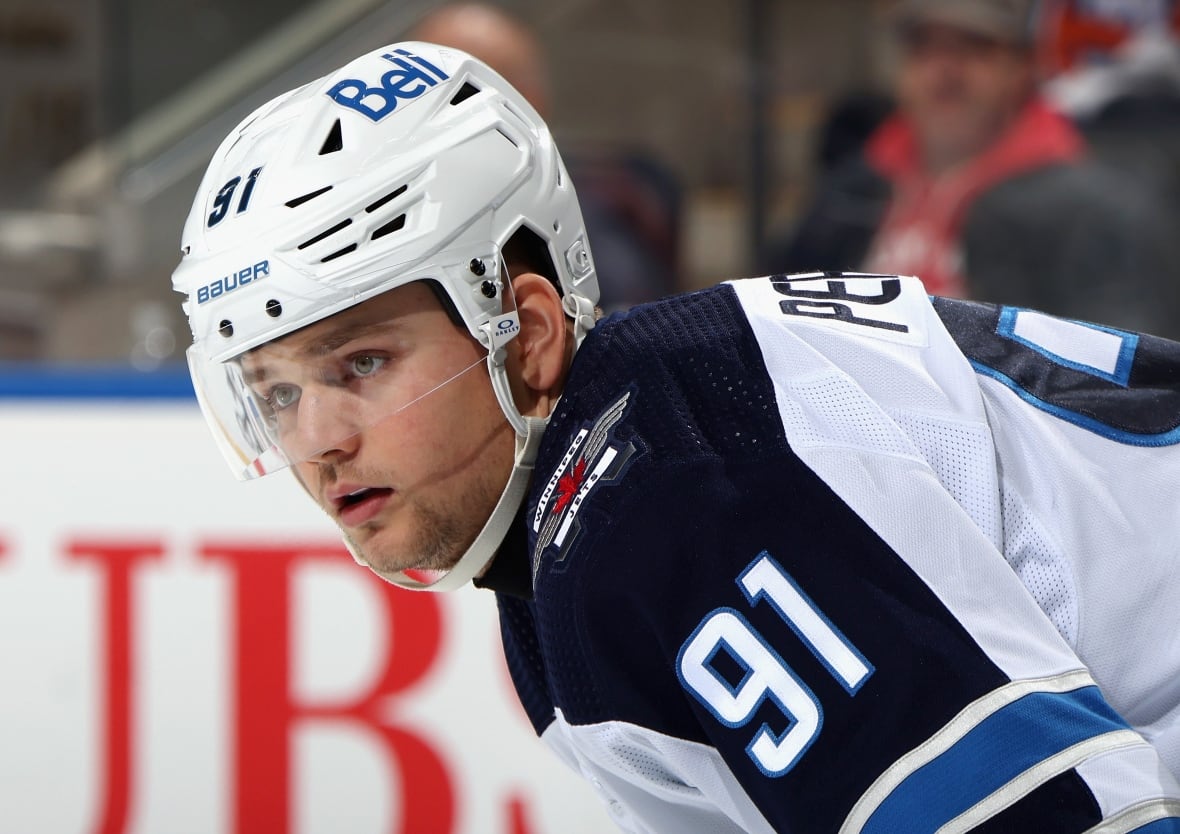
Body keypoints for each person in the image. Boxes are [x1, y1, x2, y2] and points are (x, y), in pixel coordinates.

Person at [172, 42, 1180, 831]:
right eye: (273, 392)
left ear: (524, 338)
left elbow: (1054, 814)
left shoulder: (671, 489)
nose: (319, 441)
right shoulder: (576, 533)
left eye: (359, 365)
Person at [765, 0, 1180, 338]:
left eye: (974, 47)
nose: (946, 69)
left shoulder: (1090, 205)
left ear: (1021, 69)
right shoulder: (854, 186)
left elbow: (1118, 368)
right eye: (924, 48)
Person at [408, 2, 681, 313]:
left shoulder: (585, 220)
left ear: (527, 104)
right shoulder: (398, 210)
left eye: (456, 96)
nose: (420, 115)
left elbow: (626, 332)